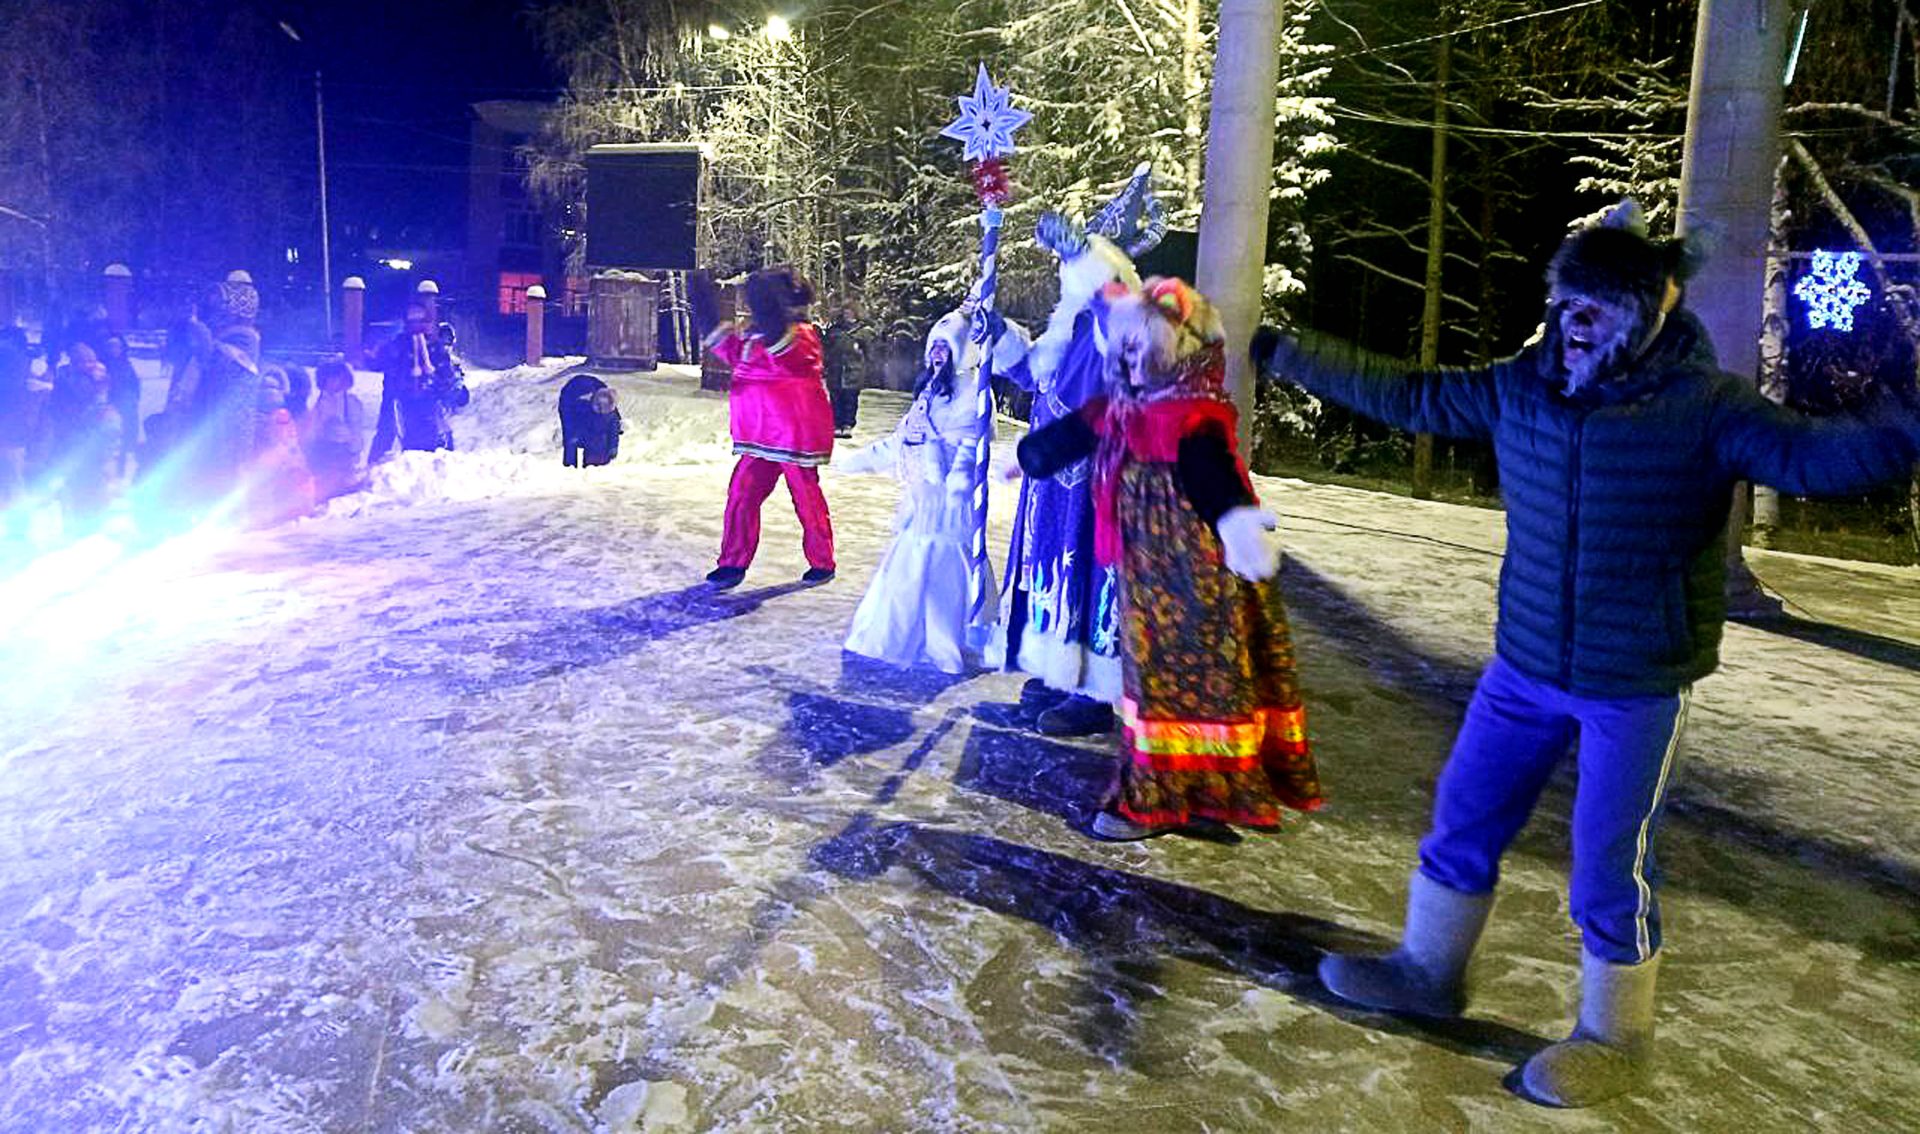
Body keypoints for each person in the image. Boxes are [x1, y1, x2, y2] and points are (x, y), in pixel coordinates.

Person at [1253, 200, 1920, 1108]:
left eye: (1598, 307)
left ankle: (1616, 1037)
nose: (1575, 322)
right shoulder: (1523, 388)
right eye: (1568, 302)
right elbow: (1410, 394)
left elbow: (1812, 457)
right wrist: (1286, 352)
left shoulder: (1705, 408)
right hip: (1522, 669)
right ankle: (1427, 971)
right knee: (1461, 820)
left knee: (1610, 866)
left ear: (1646, 315)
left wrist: (1904, 424)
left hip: (1635, 686)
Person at [1015, 277, 1322, 841]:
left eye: (1141, 346)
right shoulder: (1126, 406)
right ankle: (1196, 792)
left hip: (1193, 576)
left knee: (1176, 685)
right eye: (1125, 347)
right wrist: (1032, 455)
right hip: (1148, 574)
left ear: (1177, 349)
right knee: (1171, 684)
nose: (1129, 357)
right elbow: (1079, 429)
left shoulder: (1192, 415)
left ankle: (1160, 798)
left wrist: (1237, 525)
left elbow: (1215, 478)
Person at [990, 212, 1142, 735]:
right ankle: (1056, 671)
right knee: (1049, 574)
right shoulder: (1070, 324)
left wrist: (1085, 256)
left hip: (1091, 479)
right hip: (1051, 480)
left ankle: (1091, 694)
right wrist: (1000, 336)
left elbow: (1116, 306)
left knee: (1088, 577)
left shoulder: (1115, 321)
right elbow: (1034, 377)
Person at [840, 301, 1028, 673]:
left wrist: (958, 480)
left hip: (949, 502)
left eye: (946, 347)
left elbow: (971, 443)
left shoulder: (974, 392)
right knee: (911, 563)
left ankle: (947, 639)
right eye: (934, 346)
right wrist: (860, 459)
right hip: (922, 498)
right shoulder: (930, 391)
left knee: (942, 566)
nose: (938, 354)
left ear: (960, 351)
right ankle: (899, 633)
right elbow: (904, 438)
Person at [695, 265, 837, 589]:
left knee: (806, 497)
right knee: (741, 494)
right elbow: (728, 348)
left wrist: (767, 305)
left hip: (793, 434)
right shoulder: (754, 338)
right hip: (758, 436)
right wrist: (704, 308)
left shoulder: (802, 336)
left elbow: (783, 349)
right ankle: (732, 563)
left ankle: (822, 560)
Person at [368, 303, 468, 460]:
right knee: (389, 433)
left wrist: (443, 386)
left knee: (435, 445)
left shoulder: (435, 348)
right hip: (400, 401)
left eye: (421, 320)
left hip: (429, 403)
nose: (417, 325)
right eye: (412, 321)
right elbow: (378, 364)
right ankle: (377, 468)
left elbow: (447, 376)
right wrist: (373, 356)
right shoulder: (396, 345)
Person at [305, 358, 366, 502]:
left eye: (336, 379)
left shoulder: (351, 402)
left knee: (340, 479)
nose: (332, 383)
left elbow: (356, 428)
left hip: (343, 449)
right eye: (329, 379)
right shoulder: (320, 402)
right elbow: (313, 426)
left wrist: (355, 450)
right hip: (322, 447)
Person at [822, 302, 870, 437]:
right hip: (835, 370)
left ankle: (848, 424)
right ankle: (837, 424)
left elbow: (869, 352)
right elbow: (826, 349)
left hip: (853, 370)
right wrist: (825, 365)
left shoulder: (863, 331)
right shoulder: (834, 330)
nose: (847, 314)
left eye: (850, 311)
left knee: (850, 399)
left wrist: (866, 368)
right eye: (845, 311)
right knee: (836, 398)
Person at [101, 334, 142, 479]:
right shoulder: (101, 366)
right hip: (108, 405)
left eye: (116, 346)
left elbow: (135, 385)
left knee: (125, 439)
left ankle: (120, 470)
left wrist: (134, 399)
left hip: (126, 404)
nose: (113, 349)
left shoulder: (127, 365)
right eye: (110, 346)